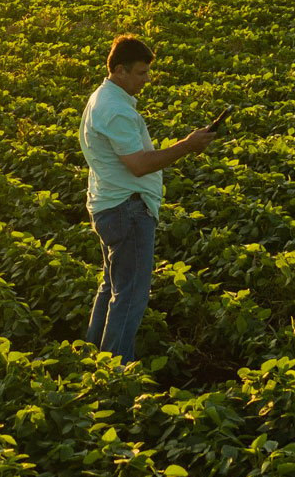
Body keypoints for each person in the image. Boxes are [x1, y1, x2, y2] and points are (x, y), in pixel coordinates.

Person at [80, 35, 214, 362]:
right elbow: (139, 165)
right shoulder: (115, 109)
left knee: (111, 287)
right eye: (141, 73)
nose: (146, 79)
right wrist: (187, 145)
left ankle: (90, 357)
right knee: (130, 296)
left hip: (108, 203)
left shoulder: (103, 98)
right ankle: (114, 371)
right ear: (120, 70)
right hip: (127, 209)